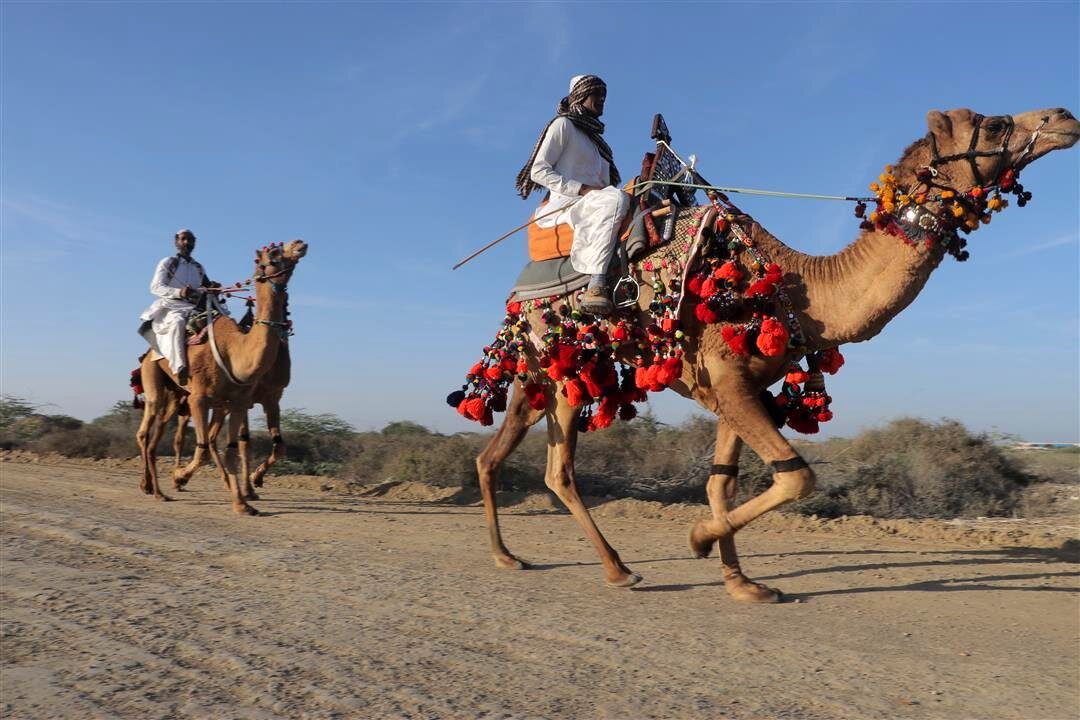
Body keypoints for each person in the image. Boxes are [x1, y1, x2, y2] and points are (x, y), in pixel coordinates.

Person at [516, 74, 630, 316]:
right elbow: (538, 170)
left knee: (629, 195)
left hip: (596, 203)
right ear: (581, 95)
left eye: (604, 96)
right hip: (567, 205)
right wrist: (581, 189)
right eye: (596, 94)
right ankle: (596, 284)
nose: (602, 100)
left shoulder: (598, 143)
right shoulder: (563, 125)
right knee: (616, 199)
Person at [138, 229, 223, 386]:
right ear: (176, 242)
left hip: (196, 308)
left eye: (190, 240)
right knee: (178, 323)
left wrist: (213, 288)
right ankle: (179, 367)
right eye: (183, 239)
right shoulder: (168, 263)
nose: (187, 242)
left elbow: (206, 287)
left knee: (224, 321)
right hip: (173, 307)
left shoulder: (198, 267)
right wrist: (179, 292)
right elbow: (155, 287)